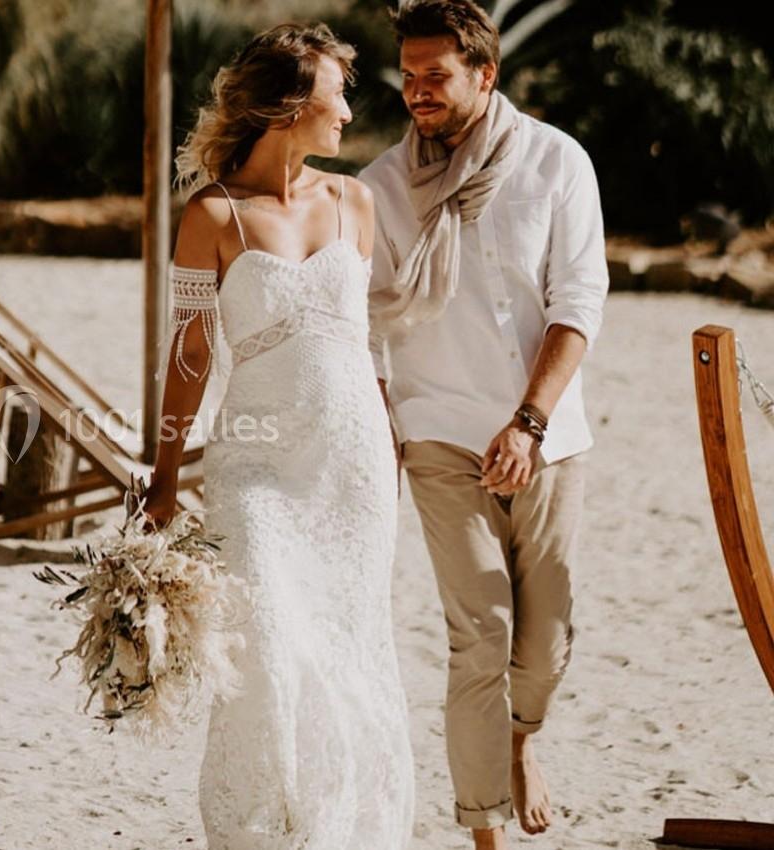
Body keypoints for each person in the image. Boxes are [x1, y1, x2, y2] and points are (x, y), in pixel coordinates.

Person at [142, 22, 415, 849]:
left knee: (347, 651)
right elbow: (190, 353)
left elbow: (363, 343)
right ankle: (265, 833)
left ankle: (343, 829)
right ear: (292, 106)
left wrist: (391, 445)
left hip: (355, 467)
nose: (348, 109)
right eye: (337, 92)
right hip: (255, 467)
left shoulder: (355, 203)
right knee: (267, 648)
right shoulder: (212, 213)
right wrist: (161, 473)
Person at [359, 2, 609, 847]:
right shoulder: (382, 188)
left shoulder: (556, 161)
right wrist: (384, 432)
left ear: (485, 74)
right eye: (410, 76)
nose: (419, 92)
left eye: (438, 76)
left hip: (549, 438)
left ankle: (522, 740)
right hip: (438, 436)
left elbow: (579, 301)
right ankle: (483, 832)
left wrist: (530, 423)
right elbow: (370, 326)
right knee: (482, 636)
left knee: (543, 646)